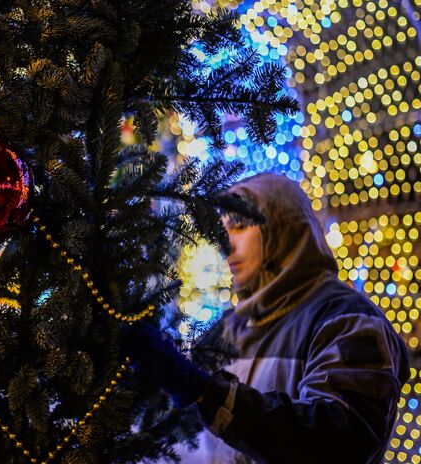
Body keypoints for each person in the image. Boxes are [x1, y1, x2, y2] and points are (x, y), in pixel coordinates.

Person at [130, 173, 410, 463]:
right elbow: (185, 442)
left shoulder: (346, 320)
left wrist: (210, 395)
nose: (227, 244)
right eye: (222, 231)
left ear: (282, 227)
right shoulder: (227, 328)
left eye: (239, 227)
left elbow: (339, 441)